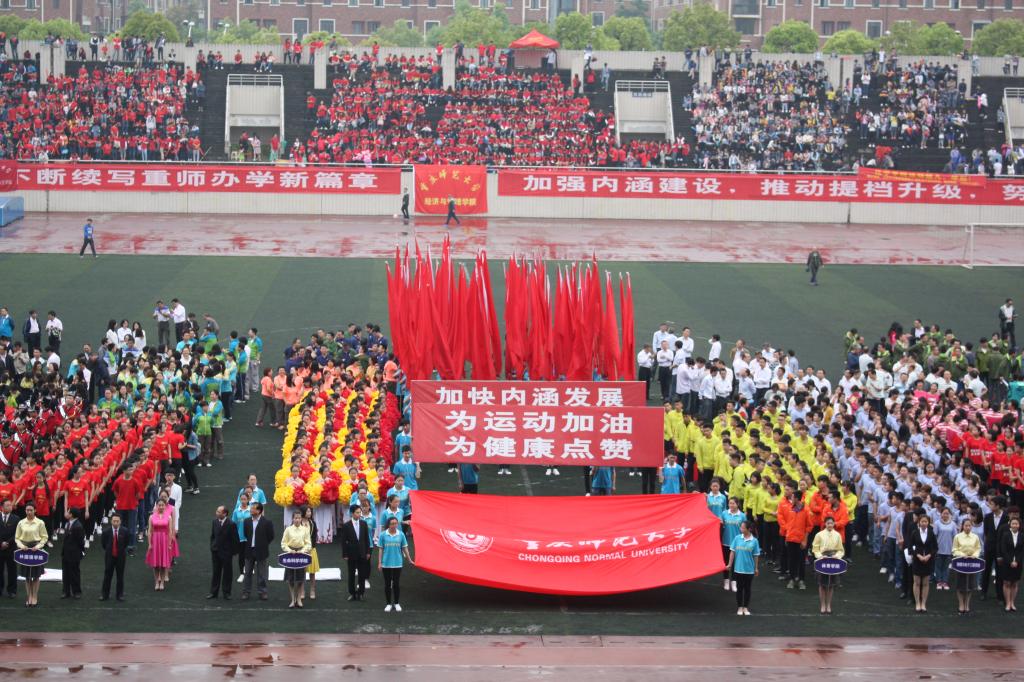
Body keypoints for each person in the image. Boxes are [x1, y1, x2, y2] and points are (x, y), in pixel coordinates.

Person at [15, 502, 47, 607]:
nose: (29, 512)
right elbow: (17, 538)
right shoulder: (21, 523)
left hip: (36, 550)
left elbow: (44, 537)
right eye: (27, 510)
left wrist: (38, 546)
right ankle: (29, 596)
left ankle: (35, 596)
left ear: (35, 510)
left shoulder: (40, 523)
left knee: (36, 576)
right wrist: (21, 546)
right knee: (27, 576)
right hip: (24, 550)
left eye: (31, 510)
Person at [378, 516, 413, 612]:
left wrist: (409, 559)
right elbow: (380, 549)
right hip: (386, 563)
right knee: (387, 584)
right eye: (392, 524)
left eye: (395, 523)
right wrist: (380, 562)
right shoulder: (383, 535)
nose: (394, 525)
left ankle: (397, 603)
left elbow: (405, 548)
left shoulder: (401, 534)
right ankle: (388, 604)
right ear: (388, 525)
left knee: (396, 584)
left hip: (397, 563)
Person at [811, 516, 845, 614]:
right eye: (828, 523)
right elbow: (815, 548)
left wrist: (837, 556)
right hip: (822, 559)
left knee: (831, 585)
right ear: (825, 524)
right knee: (822, 584)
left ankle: (828, 604)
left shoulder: (837, 535)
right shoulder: (819, 534)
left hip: (833, 560)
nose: (830, 525)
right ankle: (822, 605)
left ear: (834, 524)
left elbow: (840, 550)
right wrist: (820, 556)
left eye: (831, 523)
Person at [726, 520, 760, 615]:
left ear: (749, 529)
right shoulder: (737, 538)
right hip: (738, 569)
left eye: (742, 527)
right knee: (740, 589)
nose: (740, 529)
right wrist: (729, 564)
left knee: (747, 589)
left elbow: (756, 555)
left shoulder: (754, 541)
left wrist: (756, 568)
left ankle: (745, 607)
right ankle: (740, 607)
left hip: (749, 570)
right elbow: (732, 552)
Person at [242, 502, 274, 601]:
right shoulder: (247, 521)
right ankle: (246, 592)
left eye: (253, 508)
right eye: (251, 508)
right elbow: (246, 534)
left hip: (261, 551)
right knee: (247, 572)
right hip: (249, 550)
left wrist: (262, 544)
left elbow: (271, 536)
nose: (251, 510)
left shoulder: (267, 522)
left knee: (262, 573)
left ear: (259, 511)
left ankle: (263, 592)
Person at [281, 510, 312, 609]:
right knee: (290, 578)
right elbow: (283, 543)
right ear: (292, 519)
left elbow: (308, 544)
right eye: (295, 518)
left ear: (301, 519)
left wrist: (302, 551)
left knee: (300, 578)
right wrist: (289, 550)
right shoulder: (288, 529)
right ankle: (292, 599)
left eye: (299, 518)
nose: (297, 520)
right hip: (290, 554)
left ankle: (298, 599)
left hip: (301, 554)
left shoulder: (305, 530)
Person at [341, 504, 372, 601]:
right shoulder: (346, 525)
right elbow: (343, 541)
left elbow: (367, 539)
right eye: (357, 512)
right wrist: (345, 554)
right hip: (351, 554)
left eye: (360, 512)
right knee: (351, 574)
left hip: (362, 553)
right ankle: (352, 593)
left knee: (362, 574)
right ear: (352, 513)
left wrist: (368, 552)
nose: (359, 514)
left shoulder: (364, 523)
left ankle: (361, 593)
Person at [908, 513, 937, 612]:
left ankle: (923, 603)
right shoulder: (914, 533)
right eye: (922, 521)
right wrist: (918, 555)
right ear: (919, 522)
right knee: (917, 582)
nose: (924, 523)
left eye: (926, 521)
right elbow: (910, 547)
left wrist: (929, 556)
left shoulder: (931, 533)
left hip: (928, 561)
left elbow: (935, 547)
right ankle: (917, 603)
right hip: (917, 560)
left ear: (928, 522)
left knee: (925, 583)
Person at [952, 517, 982, 615]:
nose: (968, 527)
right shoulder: (957, 536)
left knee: (970, 585)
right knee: (960, 585)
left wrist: (975, 555)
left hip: (972, 563)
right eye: (966, 525)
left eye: (969, 525)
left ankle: (967, 605)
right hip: (960, 563)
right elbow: (954, 550)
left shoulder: (975, 537)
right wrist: (962, 555)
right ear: (962, 526)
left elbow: (978, 548)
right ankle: (961, 604)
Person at [208, 505, 237, 600]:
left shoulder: (231, 524)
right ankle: (213, 592)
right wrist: (212, 546)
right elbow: (213, 536)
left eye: (218, 512)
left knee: (227, 573)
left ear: (224, 514)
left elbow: (235, 540)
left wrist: (231, 552)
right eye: (217, 511)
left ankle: (226, 593)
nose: (216, 513)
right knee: (216, 572)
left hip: (226, 553)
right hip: (216, 552)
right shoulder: (215, 522)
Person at [146, 498, 174, 591]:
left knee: (163, 563)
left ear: (165, 506)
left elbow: (170, 531)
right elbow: (150, 531)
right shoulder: (151, 517)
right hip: (155, 540)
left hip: (164, 541)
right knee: (155, 564)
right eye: (159, 505)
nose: (161, 507)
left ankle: (161, 582)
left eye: (162, 505)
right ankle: (156, 582)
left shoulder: (169, 517)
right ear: (157, 506)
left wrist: (169, 544)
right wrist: (149, 543)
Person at [100, 512, 129, 601]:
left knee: (120, 576)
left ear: (120, 521)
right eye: (114, 521)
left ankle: (119, 595)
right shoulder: (106, 532)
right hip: (109, 556)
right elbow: (104, 544)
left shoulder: (125, 531)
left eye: (117, 521)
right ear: (111, 521)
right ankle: (105, 594)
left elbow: (126, 543)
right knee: (107, 575)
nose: (115, 523)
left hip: (120, 557)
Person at [998, 516, 1024, 611]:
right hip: (1007, 563)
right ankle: (1008, 603)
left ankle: (1012, 602)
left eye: (1016, 524)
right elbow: (1003, 549)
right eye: (1013, 523)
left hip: (1018, 563)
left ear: (1019, 525)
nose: (1015, 525)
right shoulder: (1005, 535)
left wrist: (1017, 561)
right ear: (1010, 525)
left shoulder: (1022, 535)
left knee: (1015, 583)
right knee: (1007, 582)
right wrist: (1010, 561)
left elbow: (1022, 550)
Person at [61, 508, 85, 599]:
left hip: (74, 554)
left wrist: (81, 552)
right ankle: (66, 591)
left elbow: (80, 541)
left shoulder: (78, 526)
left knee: (74, 573)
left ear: (71, 515)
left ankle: (76, 592)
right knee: (65, 573)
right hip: (66, 553)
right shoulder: (68, 523)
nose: (66, 513)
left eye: (68, 512)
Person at [0, 499, 19, 598]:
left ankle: (12, 590)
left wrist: (7, 542)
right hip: (0, 548)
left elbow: (17, 533)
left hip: (11, 548)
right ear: (2, 507)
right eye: (7, 505)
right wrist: (1, 543)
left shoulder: (16, 518)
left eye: (10, 505)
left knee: (12, 570)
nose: (10, 507)